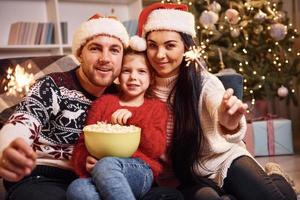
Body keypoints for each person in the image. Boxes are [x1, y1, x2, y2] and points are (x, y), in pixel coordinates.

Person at [128, 2, 297, 200]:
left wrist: (229, 122)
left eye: (170, 45)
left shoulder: (204, 81)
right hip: (190, 176)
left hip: (224, 159)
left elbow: (218, 104)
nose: (160, 55)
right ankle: (275, 182)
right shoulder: (140, 84)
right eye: (152, 46)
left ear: (186, 47)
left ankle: (275, 176)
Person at [0, 13, 129, 200]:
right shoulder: (53, 85)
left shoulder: (122, 95)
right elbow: (24, 119)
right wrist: (7, 147)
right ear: (79, 54)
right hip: (40, 176)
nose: (105, 58)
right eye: (95, 49)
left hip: (92, 180)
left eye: (115, 50)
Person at [66, 49, 168, 200]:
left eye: (141, 71)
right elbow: (83, 142)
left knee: (107, 164)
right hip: (100, 171)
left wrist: (135, 120)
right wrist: (85, 160)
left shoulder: (157, 108)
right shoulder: (104, 103)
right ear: (118, 76)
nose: (133, 77)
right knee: (78, 188)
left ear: (151, 77)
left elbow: (156, 149)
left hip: (140, 170)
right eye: (126, 71)